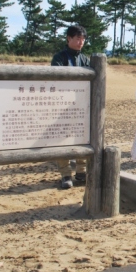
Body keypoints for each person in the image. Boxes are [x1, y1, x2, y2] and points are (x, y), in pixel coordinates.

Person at [51, 25, 90, 189]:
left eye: (83, 39)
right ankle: (65, 173)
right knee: (62, 139)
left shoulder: (86, 59)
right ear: (69, 38)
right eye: (77, 38)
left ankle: (81, 170)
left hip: (81, 105)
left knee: (82, 137)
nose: (80, 42)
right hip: (62, 106)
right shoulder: (59, 58)